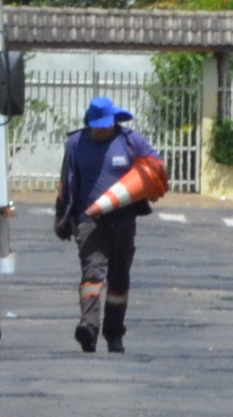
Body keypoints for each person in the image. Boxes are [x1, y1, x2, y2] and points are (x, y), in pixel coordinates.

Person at [56, 97, 165, 354]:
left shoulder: (130, 141)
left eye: (105, 126)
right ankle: (89, 328)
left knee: (119, 278)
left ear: (114, 121)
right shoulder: (75, 144)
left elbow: (156, 165)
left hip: (123, 221)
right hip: (88, 221)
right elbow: (65, 184)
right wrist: (62, 219)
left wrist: (153, 177)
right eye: (96, 127)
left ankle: (114, 334)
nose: (100, 131)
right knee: (92, 274)